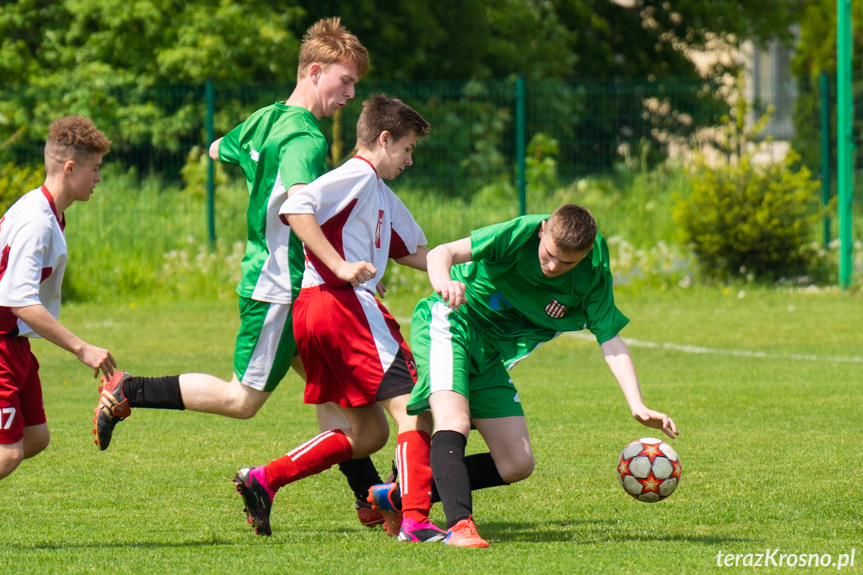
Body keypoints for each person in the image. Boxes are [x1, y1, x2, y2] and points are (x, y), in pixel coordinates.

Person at [91, 17, 388, 527]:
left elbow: (216, 148)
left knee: (338, 400)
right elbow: (299, 209)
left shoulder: (267, 118)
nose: (351, 93)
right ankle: (128, 390)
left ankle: (369, 497)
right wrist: (340, 264)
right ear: (315, 72)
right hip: (283, 287)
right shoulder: (306, 141)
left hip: (285, 284)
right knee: (241, 398)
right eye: (346, 81)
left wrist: (256, 165)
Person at [231, 94, 444, 543]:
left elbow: (417, 252)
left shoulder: (377, 191)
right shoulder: (357, 174)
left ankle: (264, 478)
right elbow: (295, 208)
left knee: (367, 434)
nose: (409, 160)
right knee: (414, 410)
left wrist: (476, 265)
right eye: (407, 149)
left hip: (320, 309)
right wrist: (342, 266)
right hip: (341, 304)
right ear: (383, 139)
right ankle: (415, 519)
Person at [403, 204, 679, 547]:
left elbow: (610, 339)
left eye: (567, 263)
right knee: (453, 419)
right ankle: (459, 526)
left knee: (517, 463)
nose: (553, 267)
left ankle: (403, 491)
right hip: (452, 323)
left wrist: (637, 403)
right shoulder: (519, 232)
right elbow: (443, 253)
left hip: (490, 356)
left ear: (586, 253)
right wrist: (445, 283)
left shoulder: (592, 274)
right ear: (543, 229)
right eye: (548, 255)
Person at [0, 115, 116, 480]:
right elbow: (21, 301)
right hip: (1, 344)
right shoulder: (37, 222)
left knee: (35, 437)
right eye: (95, 169)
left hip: (14, 345)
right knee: (7, 454)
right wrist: (82, 348)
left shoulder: (49, 212)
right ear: (70, 168)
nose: (98, 178)